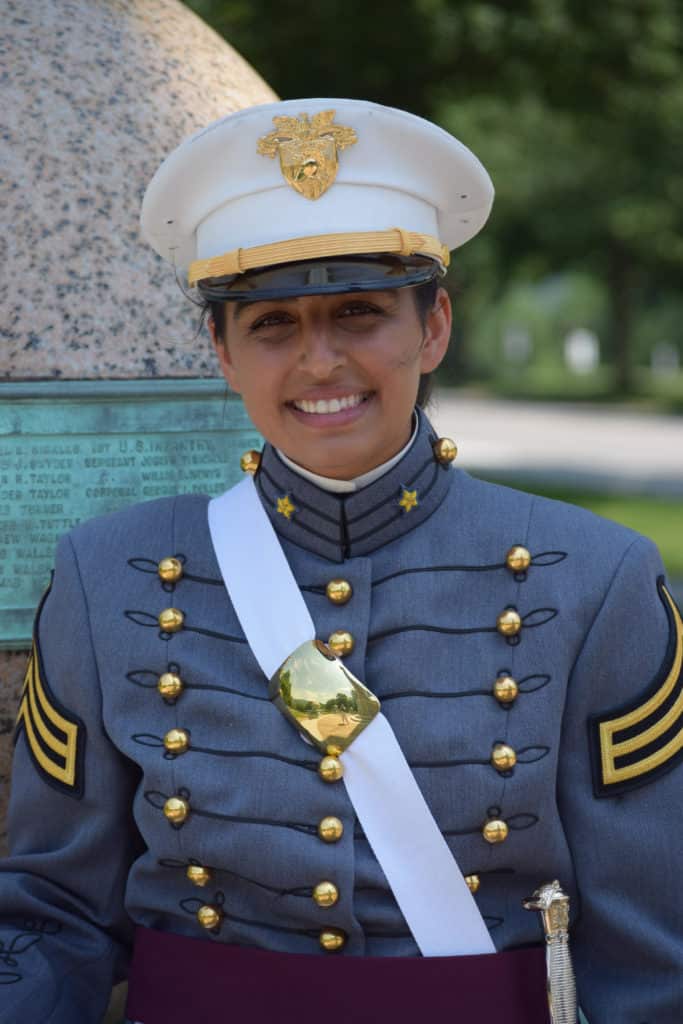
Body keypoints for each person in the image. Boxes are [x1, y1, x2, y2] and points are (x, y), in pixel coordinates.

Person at [0, 98, 681, 1024]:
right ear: (221, 351)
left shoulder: (595, 581)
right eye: (271, 324)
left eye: (359, 313)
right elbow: (53, 915)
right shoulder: (105, 574)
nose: (320, 361)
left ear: (432, 326)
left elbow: (651, 957)